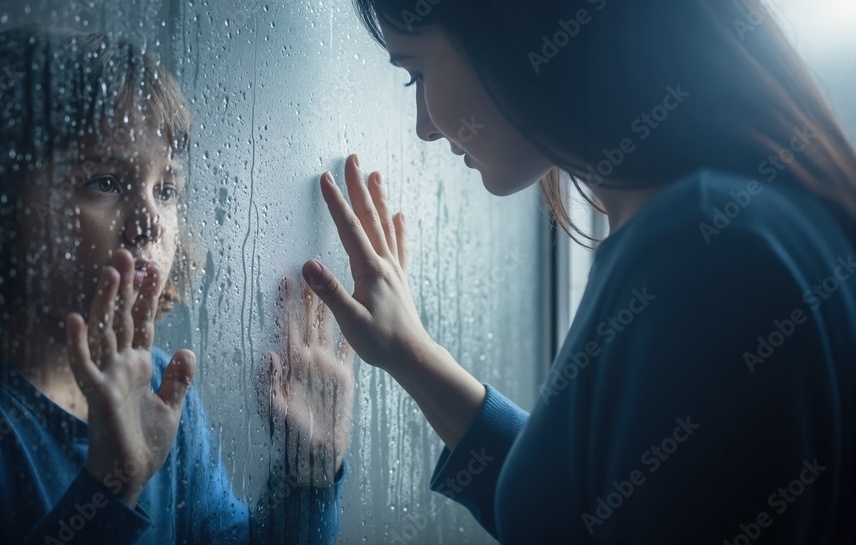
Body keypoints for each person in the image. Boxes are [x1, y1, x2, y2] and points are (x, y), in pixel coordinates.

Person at [300, 1, 856, 543]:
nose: (423, 126)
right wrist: (411, 354)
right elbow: (596, 504)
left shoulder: (703, 251)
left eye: (415, 73)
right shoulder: (727, 227)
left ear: (510, 23)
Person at [0, 25, 354, 544]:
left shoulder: (161, 385)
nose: (150, 222)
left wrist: (309, 475)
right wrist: (107, 489)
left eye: (165, 189)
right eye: (105, 183)